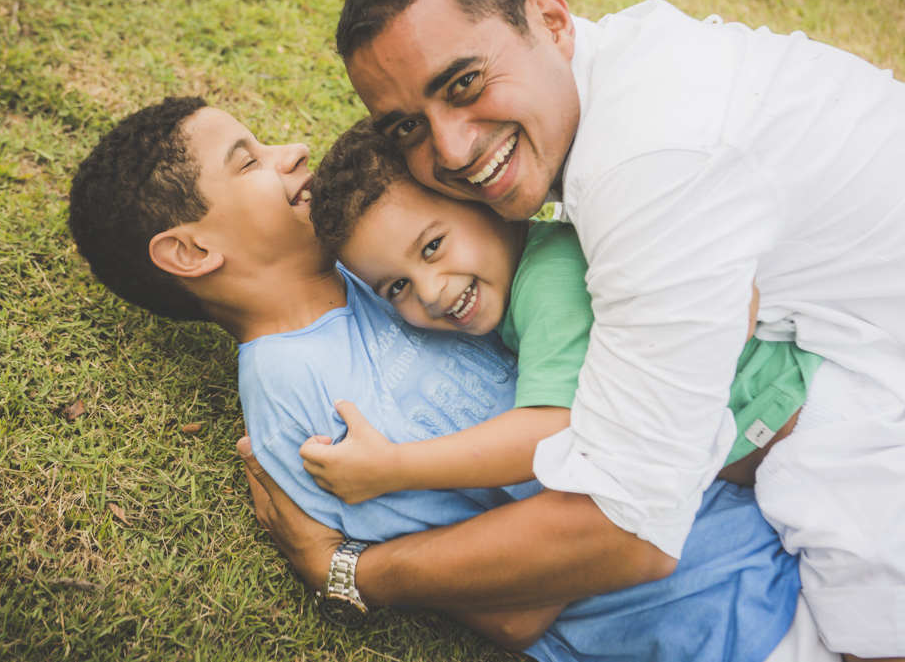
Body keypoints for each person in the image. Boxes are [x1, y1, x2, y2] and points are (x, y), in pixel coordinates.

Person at [246, 0, 905, 661]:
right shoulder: (625, 84)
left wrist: (351, 569)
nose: (452, 150)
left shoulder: (648, 167)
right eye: (408, 126)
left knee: (902, 637)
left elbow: (627, 531)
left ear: (551, 19)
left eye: (463, 82)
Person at [67, 97, 803, 662]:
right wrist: (345, 567)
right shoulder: (296, 396)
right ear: (191, 251)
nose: (292, 152)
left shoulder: (376, 254)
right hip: (727, 624)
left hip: (781, 511)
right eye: (247, 161)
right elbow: (513, 611)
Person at [300, 125, 812, 502]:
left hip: (801, 431)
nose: (430, 292)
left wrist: (393, 468)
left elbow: (549, 431)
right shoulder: (525, 274)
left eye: (432, 246)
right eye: (396, 287)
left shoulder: (547, 282)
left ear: (480, 199)